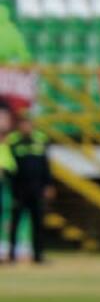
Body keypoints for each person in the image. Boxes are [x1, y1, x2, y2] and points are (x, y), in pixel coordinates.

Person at [3, 112, 53, 264]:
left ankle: (38, 255)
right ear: (19, 125)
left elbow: (46, 165)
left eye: (28, 123)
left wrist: (48, 184)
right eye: (23, 124)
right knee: (15, 223)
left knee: (38, 223)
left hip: (37, 189)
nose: (25, 126)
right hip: (19, 190)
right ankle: (12, 255)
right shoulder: (12, 141)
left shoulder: (41, 140)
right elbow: (8, 164)